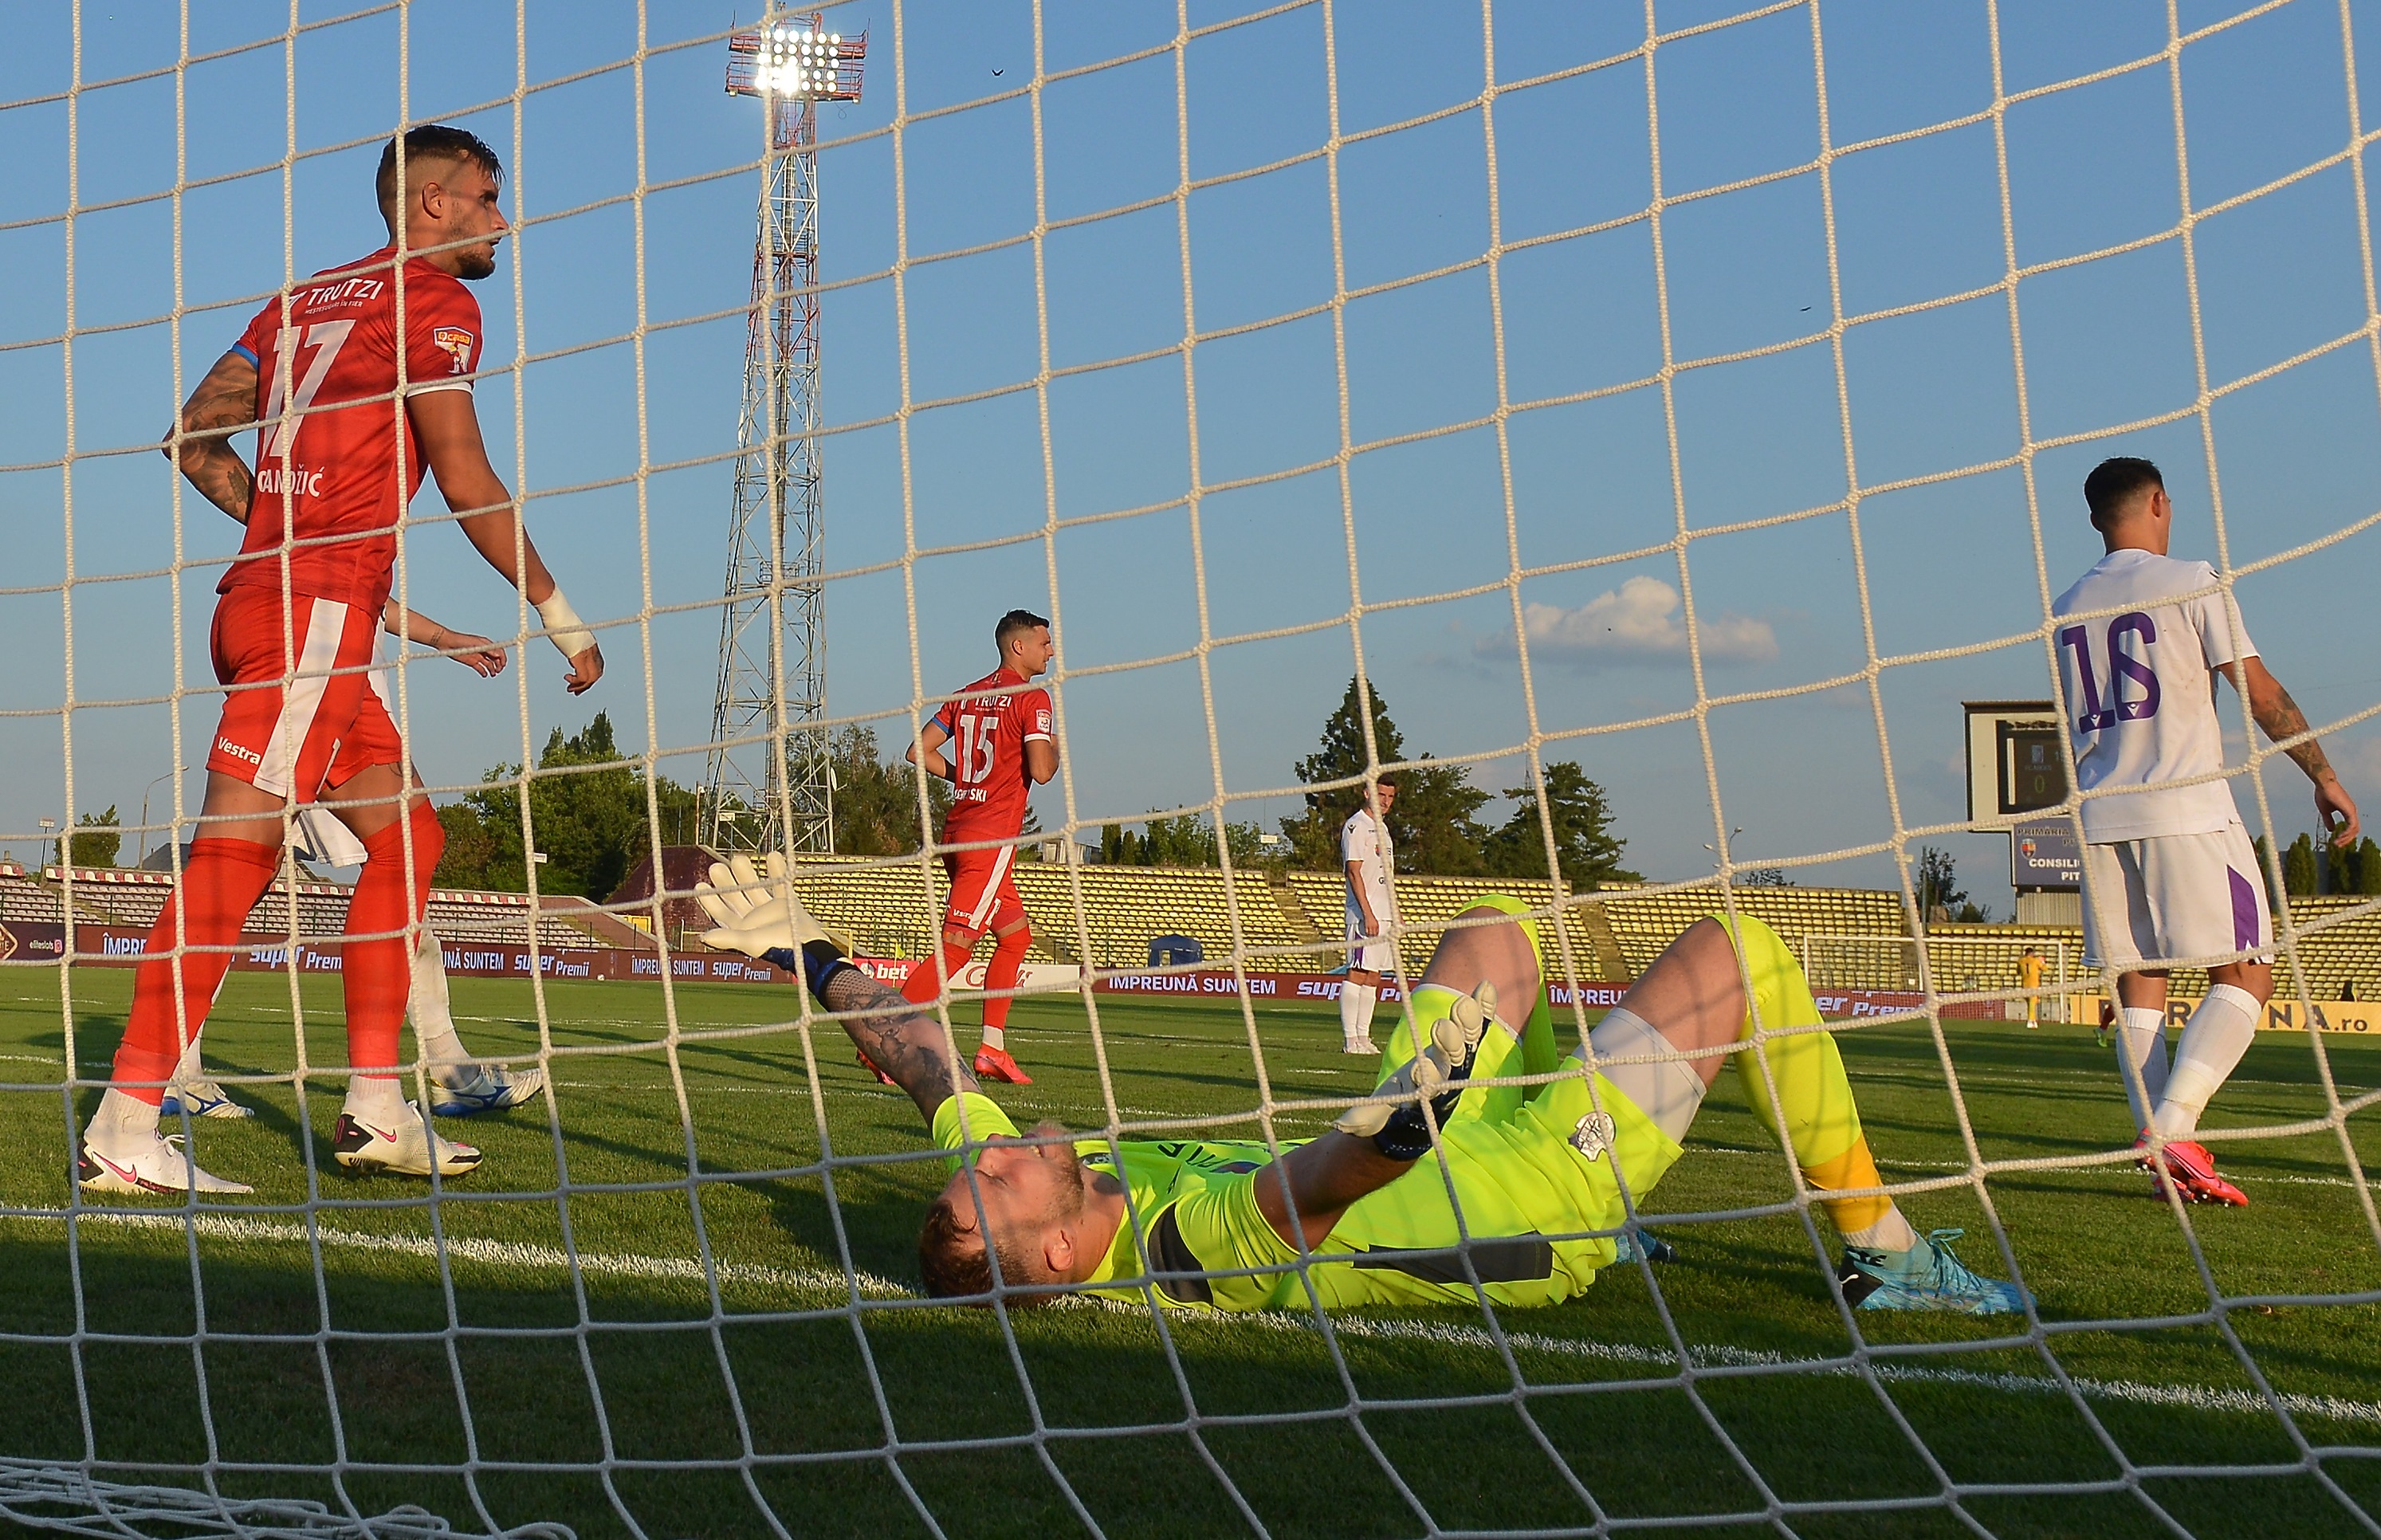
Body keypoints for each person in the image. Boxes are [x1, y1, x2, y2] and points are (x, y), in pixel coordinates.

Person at [694, 857, 2027, 1317]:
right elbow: (1335, 1179)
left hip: (1461, 1130)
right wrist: (1413, 1101)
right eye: (989, 1184)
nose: (984, 1154)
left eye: (974, 1165)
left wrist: (801, 955)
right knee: (1740, 952)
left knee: (1496, 930)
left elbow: (921, 1058)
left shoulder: (1080, 1185)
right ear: (1053, 1245)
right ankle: (1883, 1254)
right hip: (1542, 1191)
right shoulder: (1183, 1245)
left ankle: (1489, 1089)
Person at [77, 124, 603, 1199]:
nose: (505, 220)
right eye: (490, 198)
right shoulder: (439, 303)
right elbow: (464, 476)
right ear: (433, 206)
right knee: (233, 856)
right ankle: (128, 1120)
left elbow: (191, 437)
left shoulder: (300, 301)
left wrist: (284, 542)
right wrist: (558, 609)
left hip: (289, 612)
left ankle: (377, 1106)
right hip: (305, 621)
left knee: (408, 833)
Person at [2053, 456, 2358, 1208]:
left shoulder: (2064, 606)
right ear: (2158, 501)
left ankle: (2161, 1151)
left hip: (2097, 815)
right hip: (2184, 807)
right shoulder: (2190, 576)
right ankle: (2172, 1130)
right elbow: (2257, 692)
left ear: (2095, 518)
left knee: (2140, 983)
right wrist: (2320, 773)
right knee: (2248, 972)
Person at [156, 603, 548, 1124]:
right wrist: (548, 604)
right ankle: (420, 1085)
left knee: (249, 879)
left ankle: (173, 1068)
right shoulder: (320, 549)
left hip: (311, 680)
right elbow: (337, 568)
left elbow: (362, 584)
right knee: (395, 868)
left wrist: (441, 636)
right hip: (324, 692)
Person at [898, 610, 1058, 1086]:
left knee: (1015, 938)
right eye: (1044, 643)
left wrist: (966, 777)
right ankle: (886, 1042)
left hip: (959, 831)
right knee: (957, 947)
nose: (1050, 651)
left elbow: (918, 752)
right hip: (991, 837)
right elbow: (1044, 771)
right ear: (1018, 647)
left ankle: (992, 1049)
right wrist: (1050, 741)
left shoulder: (966, 696)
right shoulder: (1031, 698)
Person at [1338, 775, 1400, 1055]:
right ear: (1366, 794)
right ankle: (1351, 1038)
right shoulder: (1357, 826)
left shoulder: (1383, 829)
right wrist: (1367, 913)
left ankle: (1364, 1036)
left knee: (1374, 976)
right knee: (1358, 971)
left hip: (1384, 912)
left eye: (1389, 797)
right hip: (1365, 913)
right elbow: (1354, 870)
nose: (1385, 802)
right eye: (1380, 795)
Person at [2016, 945, 2049, 1030]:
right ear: (2031, 953)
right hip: (2033, 985)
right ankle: (2031, 1021)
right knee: (2032, 1003)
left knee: (2030, 1004)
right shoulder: (2035, 961)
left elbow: (2018, 972)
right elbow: (2045, 969)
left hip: (2024, 985)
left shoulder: (2020, 961)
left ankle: (2033, 1020)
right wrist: (2043, 961)